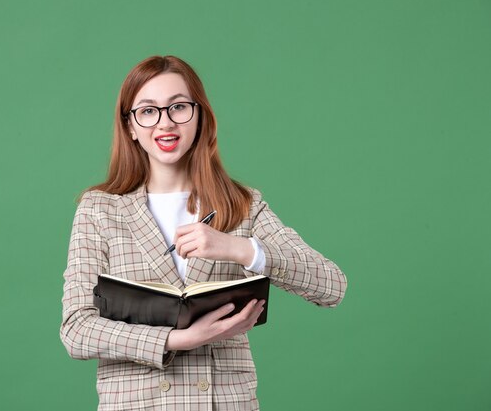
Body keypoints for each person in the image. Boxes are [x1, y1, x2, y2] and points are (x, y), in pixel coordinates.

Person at [60, 55, 347, 410]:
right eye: (148, 111)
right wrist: (179, 339)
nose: (165, 123)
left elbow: (332, 286)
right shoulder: (100, 208)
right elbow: (76, 330)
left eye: (178, 107)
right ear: (130, 126)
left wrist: (241, 249)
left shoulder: (242, 204)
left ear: (199, 116)